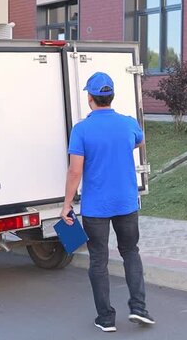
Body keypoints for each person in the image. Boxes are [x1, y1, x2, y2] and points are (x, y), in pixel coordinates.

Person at [61, 72, 154, 333]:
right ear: (111, 96)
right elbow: (140, 140)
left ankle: (106, 319)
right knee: (130, 252)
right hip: (126, 203)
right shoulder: (128, 124)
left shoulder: (82, 130)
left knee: (98, 260)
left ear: (90, 98)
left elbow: (75, 171)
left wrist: (67, 204)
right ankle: (139, 308)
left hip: (96, 208)